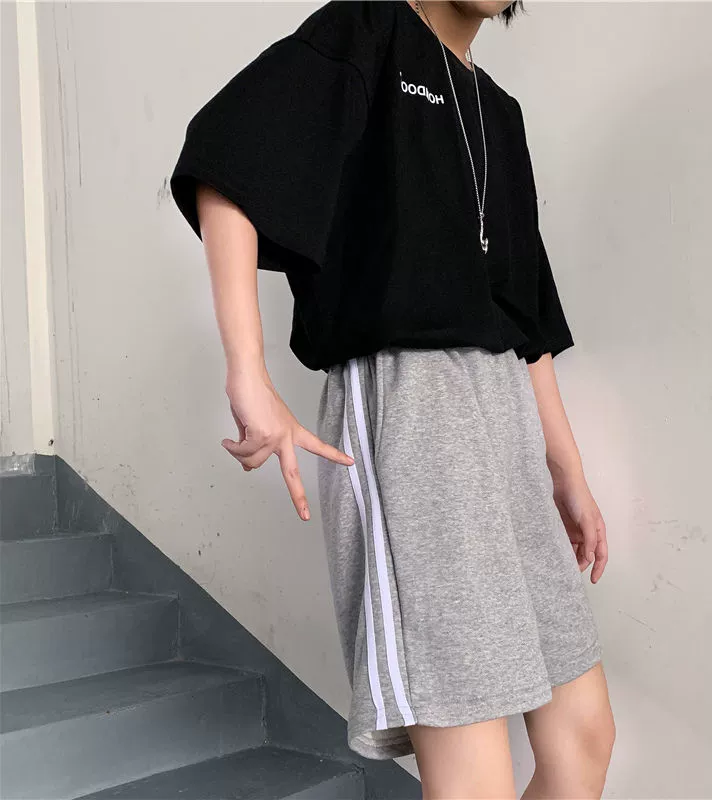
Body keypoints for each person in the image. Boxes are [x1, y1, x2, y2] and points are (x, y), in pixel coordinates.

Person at [170, 1, 615, 796]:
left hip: (506, 418)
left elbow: (527, 319)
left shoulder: (501, 115)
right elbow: (230, 161)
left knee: (584, 737)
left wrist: (566, 470)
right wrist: (248, 371)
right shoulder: (367, 30)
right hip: (412, 414)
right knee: (472, 765)